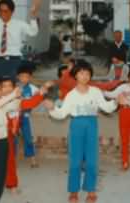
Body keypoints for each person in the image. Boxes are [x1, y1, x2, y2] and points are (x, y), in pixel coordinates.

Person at [43, 59, 118, 203]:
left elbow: (107, 107)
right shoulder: (71, 95)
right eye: (81, 73)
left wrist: (116, 102)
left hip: (92, 126)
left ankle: (91, 190)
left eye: (87, 73)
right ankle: (73, 191)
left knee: (92, 161)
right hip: (76, 127)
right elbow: (62, 114)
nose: (85, 76)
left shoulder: (95, 92)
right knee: (75, 162)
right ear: (75, 75)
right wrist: (52, 108)